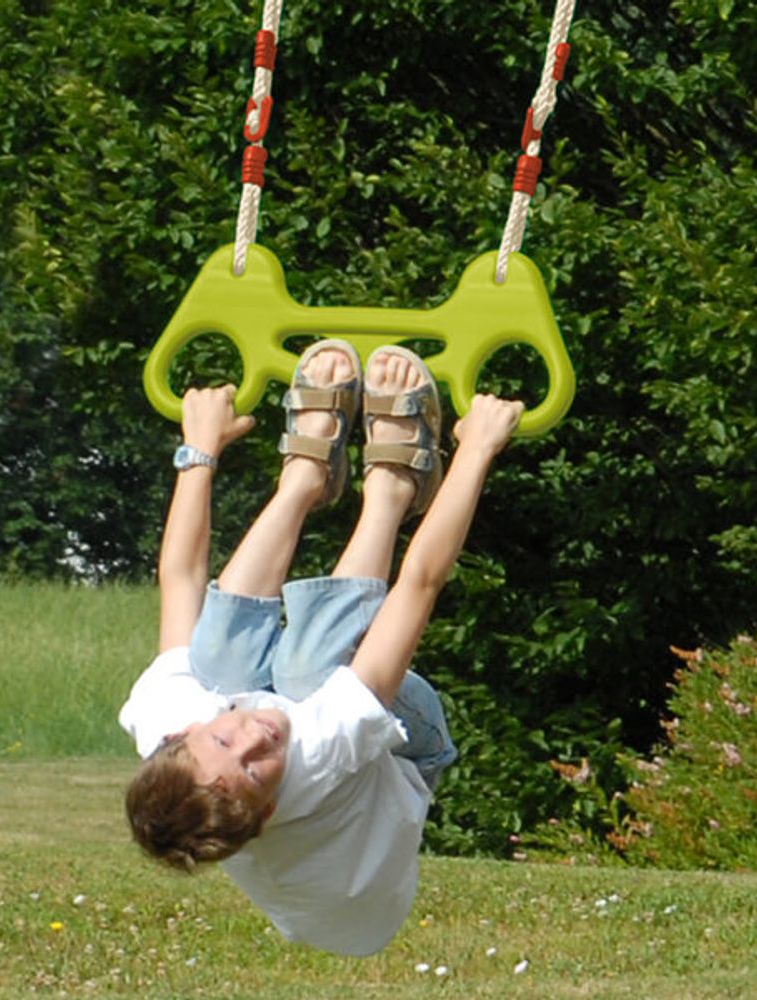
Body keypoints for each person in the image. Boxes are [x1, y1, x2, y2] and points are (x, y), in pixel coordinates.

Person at [119, 340, 524, 956]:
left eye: (225, 741)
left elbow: (179, 578)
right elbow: (419, 584)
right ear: (269, 809)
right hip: (406, 756)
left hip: (320, 876)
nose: (259, 736)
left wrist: (200, 445)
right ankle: (393, 485)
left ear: (179, 736)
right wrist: (476, 449)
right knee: (307, 674)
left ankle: (304, 477)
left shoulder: (165, 715)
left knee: (217, 661)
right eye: (255, 771)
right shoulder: (317, 758)